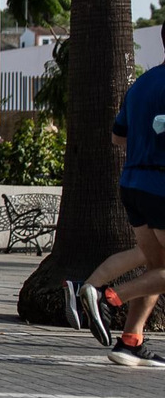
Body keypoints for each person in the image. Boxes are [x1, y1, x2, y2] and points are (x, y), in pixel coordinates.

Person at [63, 29, 165, 366]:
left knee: (154, 264)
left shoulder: (141, 85)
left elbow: (118, 138)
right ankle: (108, 297)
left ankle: (130, 341)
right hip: (161, 184)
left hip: (133, 183)